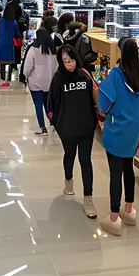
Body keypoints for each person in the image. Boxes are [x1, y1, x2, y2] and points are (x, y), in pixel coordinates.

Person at [97, 38, 139, 236]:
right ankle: (129, 210)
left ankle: (113, 218)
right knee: (128, 168)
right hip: (134, 130)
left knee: (115, 174)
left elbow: (103, 105)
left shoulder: (115, 76)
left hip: (117, 130)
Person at [47, 44, 97, 219]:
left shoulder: (85, 75)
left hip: (86, 126)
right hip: (67, 128)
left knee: (85, 160)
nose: (69, 64)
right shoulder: (58, 78)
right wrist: (55, 121)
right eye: (65, 61)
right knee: (69, 155)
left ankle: (88, 198)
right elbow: (51, 102)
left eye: (71, 60)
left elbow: (94, 97)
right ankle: (68, 180)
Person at [23, 25, 55, 134]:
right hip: (49, 81)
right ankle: (52, 121)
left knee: (38, 105)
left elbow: (28, 66)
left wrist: (26, 76)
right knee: (48, 105)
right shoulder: (52, 50)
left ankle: (42, 127)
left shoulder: (34, 49)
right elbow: (55, 67)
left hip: (35, 82)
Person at [0, 4, 22, 86]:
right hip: (9, 44)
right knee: (10, 62)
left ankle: (2, 80)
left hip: (0, 43)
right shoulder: (13, 22)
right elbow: (18, 34)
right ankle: (8, 78)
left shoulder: (0, 21)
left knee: (2, 63)